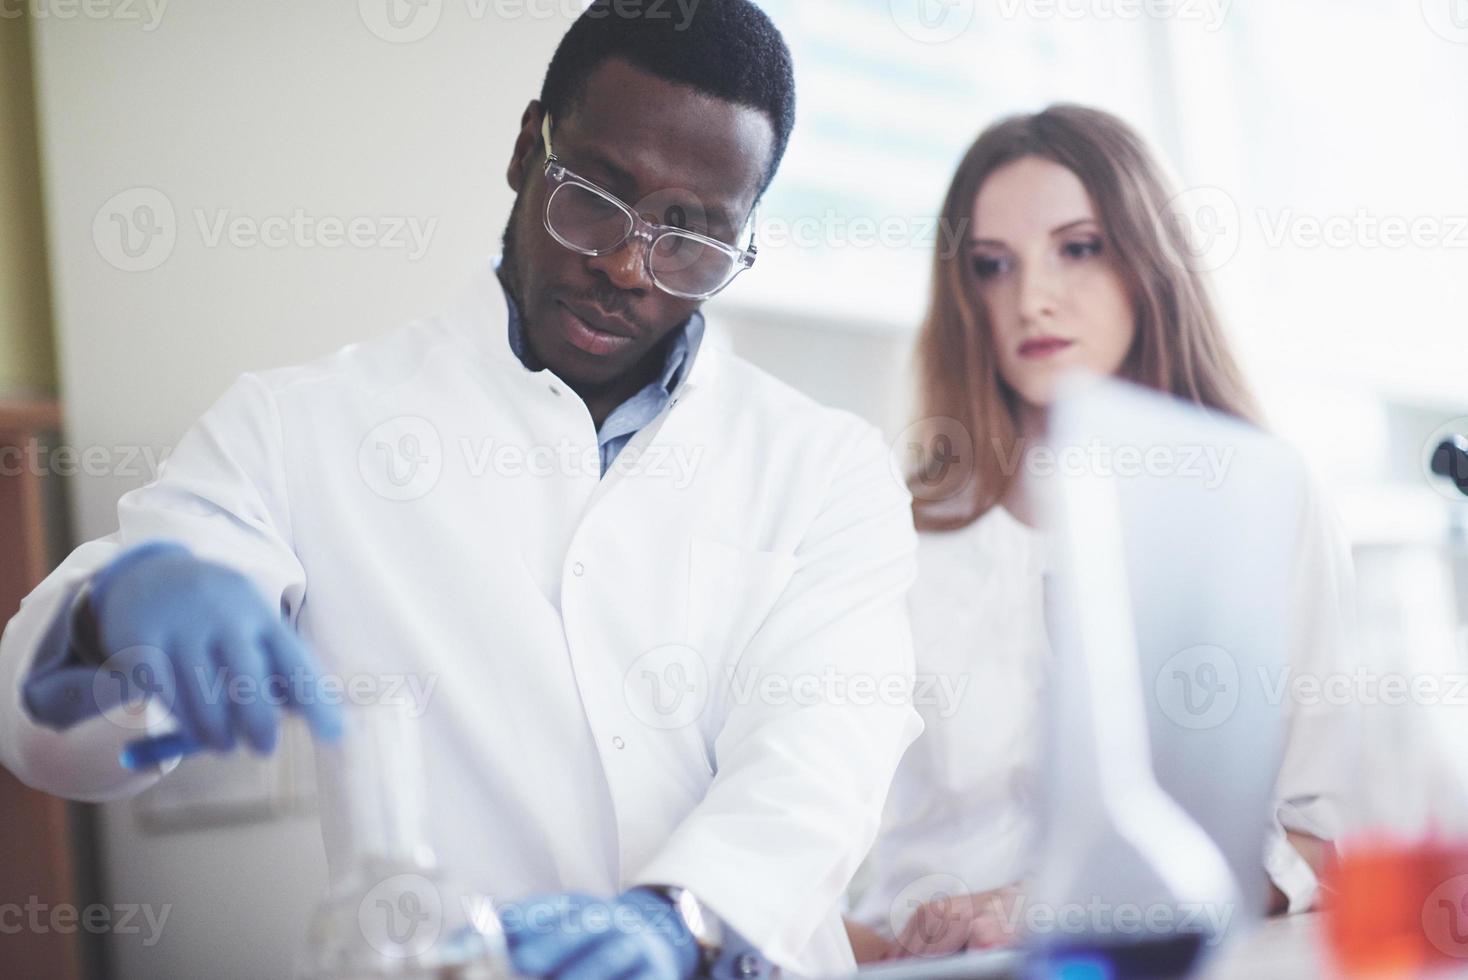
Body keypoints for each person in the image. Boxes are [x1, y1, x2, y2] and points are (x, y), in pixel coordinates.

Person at [0, 4, 925, 977]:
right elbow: (44, 745)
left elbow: (826, 743)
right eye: (595, 198)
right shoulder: (301, 427)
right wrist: (113, 614)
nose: (623, 265)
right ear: (529, 147)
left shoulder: (825, 463)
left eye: (688, 236)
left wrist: (683, 918)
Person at [843, 104, 1354, 961]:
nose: (1031, 299)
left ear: (1150, 264)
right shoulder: (895, 531)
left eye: (1078, 248)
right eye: (992, 267)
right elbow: (820, 847)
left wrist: (1052, 907)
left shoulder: (1264, 498)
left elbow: (1329, 837)